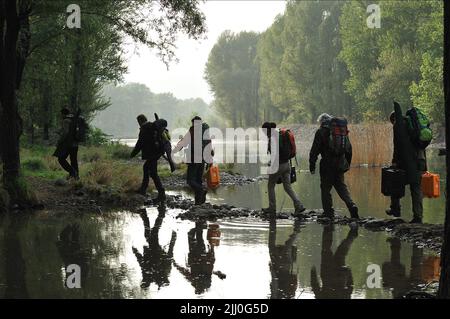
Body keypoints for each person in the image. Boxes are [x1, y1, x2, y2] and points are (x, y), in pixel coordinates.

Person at [309, 114, 359, 219]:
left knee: (325, 189)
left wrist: (312, 165)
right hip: (340, 163)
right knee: (341, 187)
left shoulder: (321, 131)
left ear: (322, 121)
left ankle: (328, 213)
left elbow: (314, 151)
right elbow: (349, 149)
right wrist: (347, 164)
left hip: (327, 164)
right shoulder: (341, 131)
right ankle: (352, 205)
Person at [386, 104, 427, 224]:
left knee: (395, 182)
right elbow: (421, 146)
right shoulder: (415, 127)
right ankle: (418, 217)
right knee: (416, 189)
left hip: (406, 163)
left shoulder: (398, 126)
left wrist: (394, 161)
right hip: (420, 161)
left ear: (393, 120)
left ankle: (395, 209)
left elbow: (398, 145)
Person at [261, 122, 305, 216]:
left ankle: (272, 208)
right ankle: (299, 205)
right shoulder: (281, 134)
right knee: (287, 187)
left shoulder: (273, 138)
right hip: (287, 165)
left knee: (271, 185)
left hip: (278, 165)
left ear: (268, 130)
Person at [173, 116, 213, 205]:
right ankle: (199, 202)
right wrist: (210, 160)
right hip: (203, 159)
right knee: (198, 180)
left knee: (190, 180)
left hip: (194, 159)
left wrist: (175, 150)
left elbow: (184, 142)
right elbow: (209, 146)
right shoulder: (205, 132)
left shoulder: (193, 130)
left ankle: (201, 191)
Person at [310, 224, 358, 299]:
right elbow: (315, 288)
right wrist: (313, 273)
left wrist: (348, 273)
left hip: (340, 275)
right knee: (326, 248)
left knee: (341, 252)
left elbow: (350, 289)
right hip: (327, 273)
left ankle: (352, 235)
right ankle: (328, 226)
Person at [130, 114, 166, 202]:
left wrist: (132, 154)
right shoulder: (152, 126)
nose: (138, 124)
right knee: (146, 168)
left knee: (153, 173)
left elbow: (139, 144)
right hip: (156, 153)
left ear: (140, 121)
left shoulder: (144, 129)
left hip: (152, 154)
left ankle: (161, 194)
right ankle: (143, 190)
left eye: (138, 122)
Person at [53, 108, 79, 180]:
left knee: (61, 159)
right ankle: (76, 178)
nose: (60, 116)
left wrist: (60, 141)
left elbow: (66, 132)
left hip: (68, 144)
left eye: (61, 114)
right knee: (74, 160)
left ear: (63, 114)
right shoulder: (74, 120)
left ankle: (73, 172)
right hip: (75, 144)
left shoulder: (66, 121)